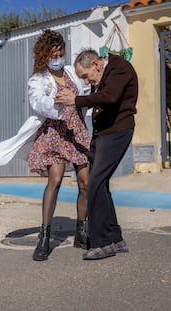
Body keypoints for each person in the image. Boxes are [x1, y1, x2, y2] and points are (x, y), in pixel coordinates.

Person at [0, 29, 91, 261]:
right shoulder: (37, 79)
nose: (58, 58)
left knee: (85, 183)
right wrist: (58, 101)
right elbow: (38, 103)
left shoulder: (71, 74)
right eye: (53, 54)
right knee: (54, 180)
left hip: (76, 130)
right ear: (44, 56)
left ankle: (81, 231)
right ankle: (44, 237)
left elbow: (85, 91)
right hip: (54, 132)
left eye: (61, 53)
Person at [56, 48, 138, 260]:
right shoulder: (104, 74)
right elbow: (98, 98)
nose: (86, 81)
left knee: (95, 183)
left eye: (86, 76)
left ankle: (104, 242)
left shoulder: (119, 68)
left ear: (96, 64)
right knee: (101, 185)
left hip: (118, 131)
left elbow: (109, 98)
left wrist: (76, 100)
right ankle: (115, 238)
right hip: (103, 134)